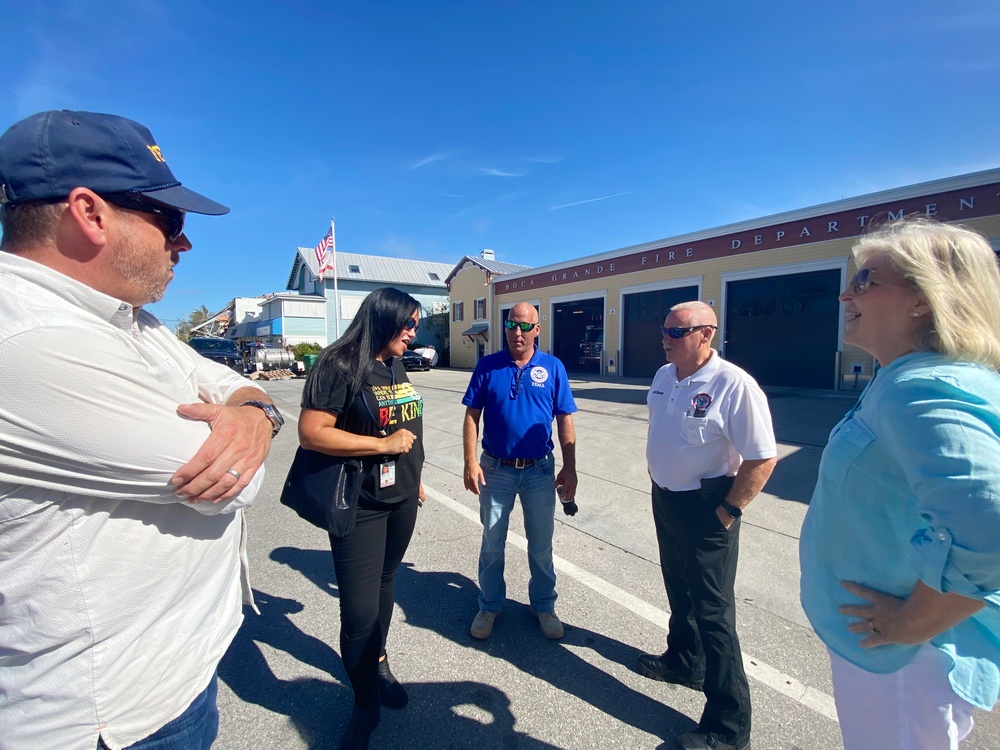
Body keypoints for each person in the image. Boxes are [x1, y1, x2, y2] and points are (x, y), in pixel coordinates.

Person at [0, 110, 281, 749]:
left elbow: (226, 382)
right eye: (170, 222)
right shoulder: (30, 340)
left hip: (169, 679)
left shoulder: (125, 318)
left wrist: (252, 410)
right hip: (105, 717)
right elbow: (230, 480)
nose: (183, 245)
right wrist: (249, 421)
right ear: (89, 213)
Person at [799, 218, 1000, 750]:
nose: (846, 292)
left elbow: (989, 519)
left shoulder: (920, 387)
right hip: (897, 656)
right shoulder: (908, 378)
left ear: (923, 300)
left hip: (904, 663)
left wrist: (912, 623)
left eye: (866, 280)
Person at [639, 301, 776, 750]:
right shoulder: (664, 377)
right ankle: (684, 662)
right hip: (667, 499)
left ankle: (727, 728)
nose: (666, 339)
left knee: (714, 613)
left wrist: (729, 510)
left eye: (676, 333)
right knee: (678, 587)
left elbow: (761, 456)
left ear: (706, 335)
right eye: (665, 330)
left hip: (707, 508)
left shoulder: (733, 384)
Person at [297, 287, 425, 750]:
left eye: (416, 325)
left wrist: (415, 474)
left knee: (387, 583)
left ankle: (380, 661)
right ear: (385, 318)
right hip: (362, 503)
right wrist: (382, 448)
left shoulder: (395, 362)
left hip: (403, 497)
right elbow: (312, 433)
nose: (413, 332)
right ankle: (363, 704)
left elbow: (403, 423)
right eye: (408, 324)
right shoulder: (339, 363)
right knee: (358, 614)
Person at [462, 301, 578, 640]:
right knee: (492, 542)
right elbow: (472, 416)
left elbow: (565, 419)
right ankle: (490, 605)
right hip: (495, 468)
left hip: (540, 472)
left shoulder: (553, 368)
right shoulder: (487, 366)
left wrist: (570, 469)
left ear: (537, 330)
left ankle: (543, 605)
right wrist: (470, 462)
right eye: (513, 324)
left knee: (541, 545)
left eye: (526, 326)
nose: (518, 331)